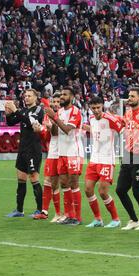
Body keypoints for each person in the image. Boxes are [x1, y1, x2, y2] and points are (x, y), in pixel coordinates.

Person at [44, 87, 84, 225]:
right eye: (61, 94)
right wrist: (52, 120)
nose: (61, 97)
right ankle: (69, 215)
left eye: (64, 94)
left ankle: (77, 217)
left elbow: (67, 130)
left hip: (73, 152)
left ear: (72, 97)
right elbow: (55, 133)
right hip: (61, 152)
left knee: (74, 183)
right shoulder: (60, 111)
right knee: (64, 183)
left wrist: (54, 117)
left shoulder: (76, 112)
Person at [84, 96, 123, 228]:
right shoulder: (91, 119)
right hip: (94, 159)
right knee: (88, 189)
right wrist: (85, 128)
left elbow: (122, 129)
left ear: (103, 107)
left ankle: (116, 219)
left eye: (98, 108)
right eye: (93, 108)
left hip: (107, 160)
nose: (96, 110)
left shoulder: (110, 119)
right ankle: (98, 219)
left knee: (102, 191)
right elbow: (96, 131)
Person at [117, 88, 139, 231]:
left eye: (132, 96)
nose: (129, 98)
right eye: (128, 96)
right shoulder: (128, 113)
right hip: (128, 154)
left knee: (137, 191)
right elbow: (123, 126)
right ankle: (133, 219)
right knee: (120, 190)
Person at [5, 89, 44, 217]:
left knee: (33, 178)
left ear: (35, 98)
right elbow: (11, 122)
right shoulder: (23, 110)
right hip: (22, 148)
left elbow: (30, 122)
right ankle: (19, 210)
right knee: (21, 178)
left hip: (33, 149)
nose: (26, 98)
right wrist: (8, 113)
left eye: (29, 96)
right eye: (25, 96)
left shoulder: (38, 110)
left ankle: (40, 210)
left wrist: (15, 110)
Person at [33, 92, 63, 222]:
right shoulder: (47, 116)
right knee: (48, 182)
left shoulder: (63, 115)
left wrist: (51, 126)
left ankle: (61, 213)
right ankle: (45, 211)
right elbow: (47, 137)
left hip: (63, 152)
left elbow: (61, 132)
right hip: (52, 153)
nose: (55, 104)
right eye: (53, 103)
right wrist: (40, 131)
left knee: (62, 184)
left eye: (58, 102)